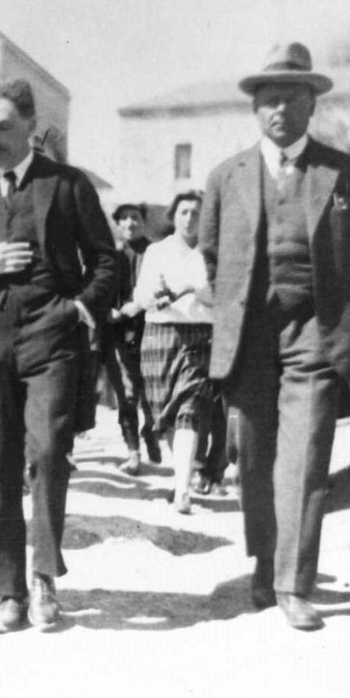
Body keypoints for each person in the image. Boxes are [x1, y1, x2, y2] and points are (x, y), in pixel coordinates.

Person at [199, 42, 350, 631]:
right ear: (255, 109)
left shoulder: (344, 173)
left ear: (312, 104)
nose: (280, 109)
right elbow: (211, 255)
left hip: (316, 332)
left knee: (304, 458)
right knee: (254, 456)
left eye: (292, 98)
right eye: (269, 99)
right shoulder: (225, 177)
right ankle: (264, 563)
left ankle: (293, 584)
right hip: (248, 334)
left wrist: (343, 327)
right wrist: (233, 309)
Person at [0, 79, 117, 633]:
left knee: (47, 454)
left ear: (28, 126)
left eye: (3, 128)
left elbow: (109, 262)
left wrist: (79, 309)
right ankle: (9, 591)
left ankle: (44, 579)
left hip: (53, 341)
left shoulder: (67, 185)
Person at [130, 191, 214, 514]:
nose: (190, 218)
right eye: (184, 212)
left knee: (189, 409)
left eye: (196, 212)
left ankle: (182, 490)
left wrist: (194, 289)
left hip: (199, 334)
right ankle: (181, 473)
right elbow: (142, 293)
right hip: (160, 336)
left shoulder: (212, 253)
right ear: (173, 216)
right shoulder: (157, 251)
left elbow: (221, 293)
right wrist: (154, 296)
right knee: (163, 414)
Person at [101, 203, 163, 475]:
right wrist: (108, 311)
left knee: (153, 394)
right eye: (124, 218)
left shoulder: (156, 252)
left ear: (143, 221)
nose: (129, 223)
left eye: (135, 217)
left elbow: (163, 287)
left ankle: (151, 431)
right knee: (126, 394)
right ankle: (133, 451)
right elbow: (98, 290)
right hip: (117, 333)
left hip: (151, 330)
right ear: (117, 223)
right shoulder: (109, 255)